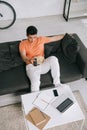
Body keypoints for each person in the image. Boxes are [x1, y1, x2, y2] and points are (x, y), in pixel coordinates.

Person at [19, 26, 64, 92]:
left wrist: (66, 35)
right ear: (27, 35)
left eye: (34, 37)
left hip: (43, 64)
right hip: (31, 67)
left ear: (37, 35)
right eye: (30, 37)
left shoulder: (41, 39)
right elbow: (23, 57)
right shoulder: (23, 44)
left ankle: (57, 84)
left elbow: (54, 38)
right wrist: (29, 60)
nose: (33, 40)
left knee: (53, 59)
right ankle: (35, 98)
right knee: (36, 83)